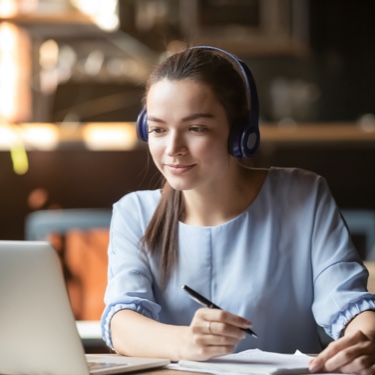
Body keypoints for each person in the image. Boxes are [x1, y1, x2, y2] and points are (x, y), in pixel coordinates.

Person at [101, 46, 375, 373]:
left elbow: (347, 302)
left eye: (195, 128)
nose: (172, 149)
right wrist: (189, 342)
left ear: (240, 132)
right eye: (159, 129)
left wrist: (367, 338)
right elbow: (121, 324)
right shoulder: (135, 212)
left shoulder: (303, 195)